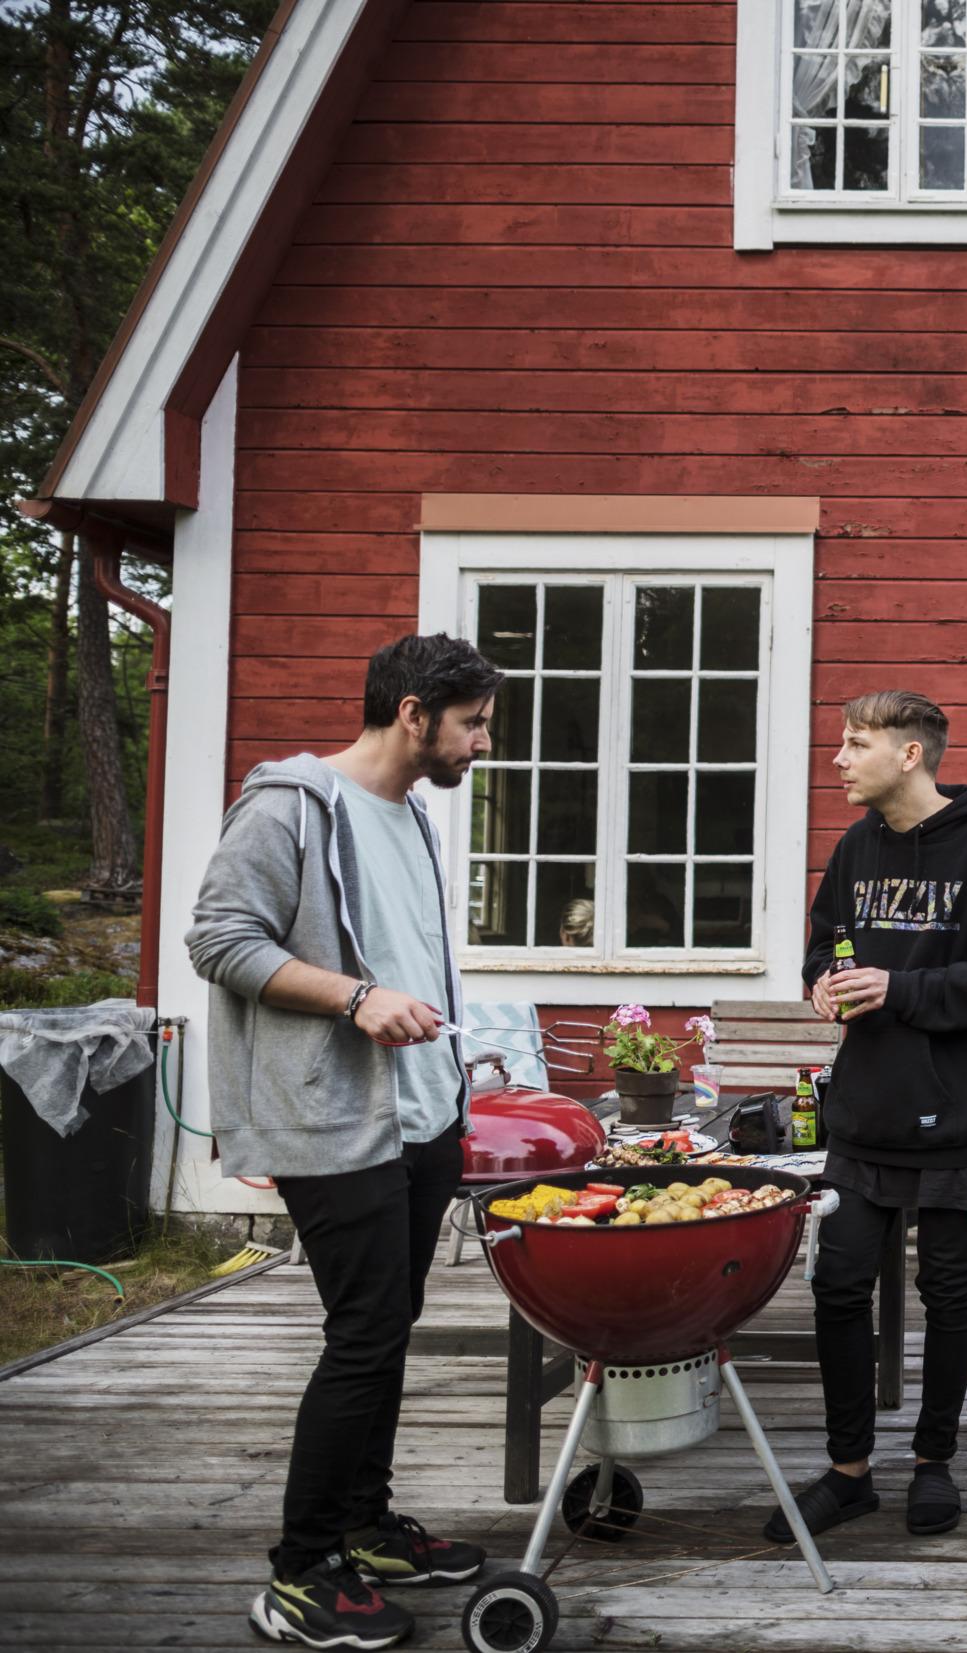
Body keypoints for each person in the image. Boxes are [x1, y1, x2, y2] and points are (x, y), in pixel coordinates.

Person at [186, 632, 498, 1650]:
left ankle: (366, 1525)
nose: (482, 745)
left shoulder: (410, 817)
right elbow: (221, 941)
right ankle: (298, 1570)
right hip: (335, 1121)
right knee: (362, 1337)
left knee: (387, 1330)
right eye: (473, 724)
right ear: (413, 713)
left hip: (420, 1117)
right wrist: (355, 999)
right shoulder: (288, 807)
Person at [766, 690, 967, 1544]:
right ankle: (849, 1471)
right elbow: (827, 941)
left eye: (856, 745)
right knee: (838, 1283)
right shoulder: (857, 847)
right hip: (865, 1113)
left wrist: (903, 988)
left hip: (956, 1115)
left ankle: (934, 1462)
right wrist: (824, 977)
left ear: (911, 754)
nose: (840, 759)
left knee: (948, 1289)